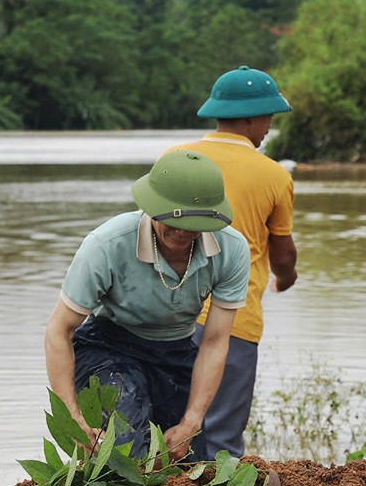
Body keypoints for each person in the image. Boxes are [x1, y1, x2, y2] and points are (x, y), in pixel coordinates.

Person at [44, 148, 249, 462]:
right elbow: (59, 331)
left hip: (177, 349)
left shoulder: (231, 250)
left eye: (193, 222)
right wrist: (72, 416)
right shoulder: (106, 245)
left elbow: (215, 340)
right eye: (170, 219)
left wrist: (192, 420)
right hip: (109, 345)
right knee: (127, 450)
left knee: (189, 462)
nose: (181, 231)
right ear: (151, 207)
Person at [174, 65, 298, 458]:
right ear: (249, 117)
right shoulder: (273, 175)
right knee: (222, 440)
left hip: (169, 317)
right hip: (235, 322)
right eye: (268, 118)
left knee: (172, 434)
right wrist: (287, 276)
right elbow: (282, 252)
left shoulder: (176, 159)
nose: (269, 128)